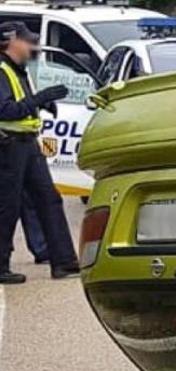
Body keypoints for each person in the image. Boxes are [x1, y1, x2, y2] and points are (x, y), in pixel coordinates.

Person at [0, 21, 79, 284]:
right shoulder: (1, 70)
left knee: (49, 199)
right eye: (27, 40)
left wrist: (41, 105)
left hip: (27, 144)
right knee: (7, 207)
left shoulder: (17, 69)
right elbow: (6, 111)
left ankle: (64, 262)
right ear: (12, 42)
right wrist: (39, 98)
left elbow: (21, 106)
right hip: (8, 146)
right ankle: (1, 267)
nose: (32, 45)